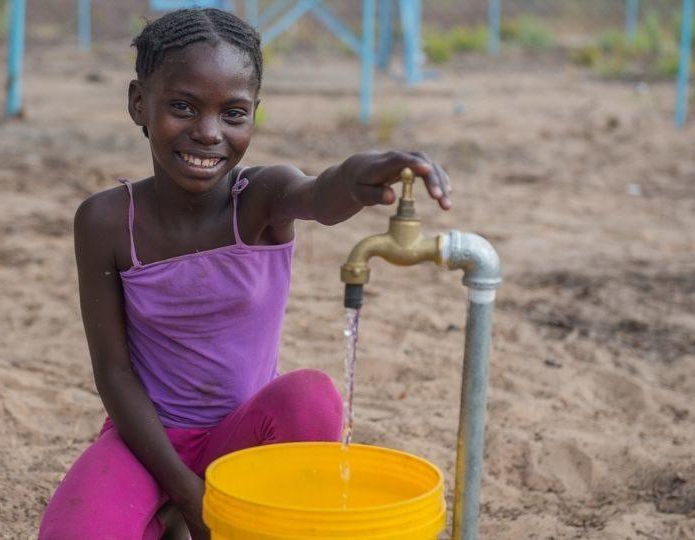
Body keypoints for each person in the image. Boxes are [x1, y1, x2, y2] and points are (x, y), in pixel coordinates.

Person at [38, 7, 452, 540]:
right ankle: (166, 513)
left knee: (310, 397)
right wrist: (188, 493)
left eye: (233, 113)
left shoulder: (259, 200)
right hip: (145, 441)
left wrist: (364, 174)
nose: (208, 133)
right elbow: (114, 373)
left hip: (247, 444)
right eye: (183, 107)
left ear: (254, 114)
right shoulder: (106, 221)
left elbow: (322, 194)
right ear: (139, 104)